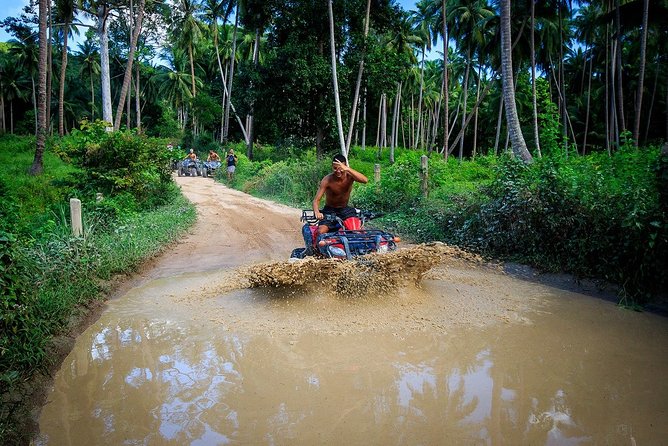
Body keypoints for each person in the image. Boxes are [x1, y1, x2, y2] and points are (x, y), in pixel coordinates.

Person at [312, 154, 368, 235]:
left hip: (345, 210)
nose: (338, 171)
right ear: (332, 167)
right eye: (335, 168)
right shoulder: (327, 180)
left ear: (345, 166)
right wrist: (317, 212)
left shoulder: (350, 176)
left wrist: (348, 169)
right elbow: (316, 200)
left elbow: (365, 180)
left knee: (358, 231)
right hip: (329, 210)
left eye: (340, 168)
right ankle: (313, 247)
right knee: (321, 231)